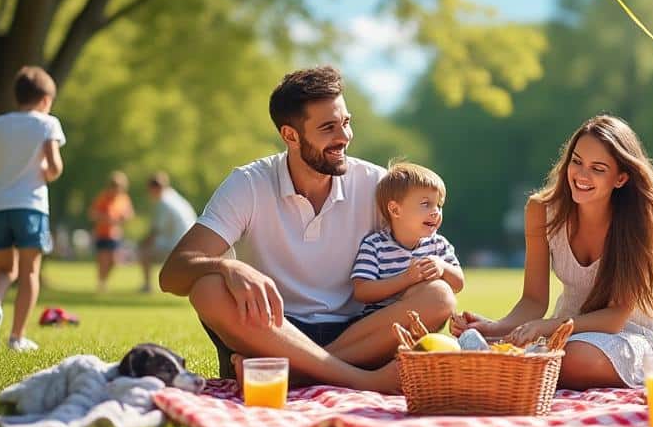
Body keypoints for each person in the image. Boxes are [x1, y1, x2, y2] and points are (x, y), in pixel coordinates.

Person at [159, 66, 453, 392]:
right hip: (272, 329)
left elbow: (426, 253)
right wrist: (227, 266)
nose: (343, 137)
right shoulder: (248, 184)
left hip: (358, 331)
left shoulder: (377, 186)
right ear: (290, 135)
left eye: (346, 122)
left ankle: (294, 376)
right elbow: (172, 274)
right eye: (328, 128)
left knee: (438, 295)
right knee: (207, 288)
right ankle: (363, 380)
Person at [450, 114, 653, 389]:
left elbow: (615, 318)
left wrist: (547, 327)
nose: (582, 175)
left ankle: (507, 368)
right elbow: (533, 300)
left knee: (572, 357)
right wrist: (494, 328)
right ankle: (503, 363)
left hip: (631, 335)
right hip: (568, 332)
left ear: (621, 178)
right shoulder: (541, 211)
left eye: (598, 168)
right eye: (577, 162)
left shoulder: (638, 221)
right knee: (557, 353)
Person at [0, 66, 66, 352]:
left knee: (2, 268)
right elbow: (54, 168)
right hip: (31, 207)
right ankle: (17, 336)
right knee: (29, 272)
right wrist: (45, 171)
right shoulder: (47, 124)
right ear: (45, 100)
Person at [350, 162, 464, 309]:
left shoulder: (438, 245)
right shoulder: (375, 246)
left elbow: (459, 284)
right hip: (384, 322)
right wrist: (406, 279)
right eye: (425, 204)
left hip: (423, 323)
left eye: (439, 205)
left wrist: (443, 267)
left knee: (440, 293)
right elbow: (362, 292)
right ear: (396, 210)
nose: (436, 211)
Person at [138, 172, 196, 294]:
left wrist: (142, 243)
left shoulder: (164, 202)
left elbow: (156, 231)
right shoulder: (173, 196)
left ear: (154, 188)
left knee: (143, 251)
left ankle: (147, 286)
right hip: (190, 240)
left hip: (177, 243)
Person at [89, 171, 134, 293]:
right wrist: (105, 219)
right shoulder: (103, 197)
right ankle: (101, 284)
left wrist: (124, 218)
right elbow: (93, 214)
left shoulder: (124, 198)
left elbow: (129, 214)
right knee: (103, 260)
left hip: (115, 235)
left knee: (114, 261)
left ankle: (103, 280)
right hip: (102, 233)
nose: (116, 189)